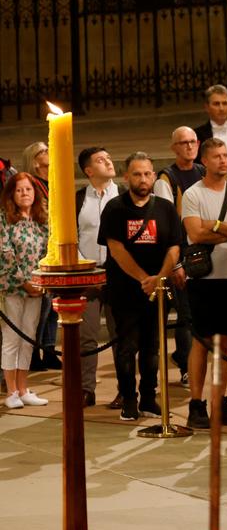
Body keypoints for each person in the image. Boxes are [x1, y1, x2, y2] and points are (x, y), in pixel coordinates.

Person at [98, 153, 182, 422]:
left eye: (147, 173)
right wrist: (144, 278)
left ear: (154, 176)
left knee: (152, 348)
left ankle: (148, 397)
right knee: (126, 347)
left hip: (157, 289)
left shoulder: (166, 208)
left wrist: (159, 278)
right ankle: (129, 400)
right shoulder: (114, 208)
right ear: (126, 177)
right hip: (125, 290)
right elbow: (116, 249)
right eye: (137, 174)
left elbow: (174, 246)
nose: (143, 179)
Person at [181, 137, 227, 429]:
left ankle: (219, 400)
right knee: (202, 341)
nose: (223, 160)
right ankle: (196, 404)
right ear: (205, 161)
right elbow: (195, 235)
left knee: (226, 343)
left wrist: (216, 225)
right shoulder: (192, 195)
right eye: (217, 156)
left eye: (225, 155)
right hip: (203, 278)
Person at [154, 125, 206, 389]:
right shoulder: (166, 179)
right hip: (180, 253)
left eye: (193, 142)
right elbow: (167, 224)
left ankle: (189, 359)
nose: (189, 146)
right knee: (185, 314)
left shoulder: (203, 172)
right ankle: (186, 365)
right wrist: (176, 263)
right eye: (183, 143)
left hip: (203, 252)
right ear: (174, 147)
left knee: (196, 312)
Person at [75, 147, 120, 407]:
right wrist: (85, 266)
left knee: (120, 334)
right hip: (89, 274)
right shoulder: (79, 199)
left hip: (118, 274)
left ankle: (125, 390)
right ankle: (85, 389)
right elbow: (73, 236)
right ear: (89, 170)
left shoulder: (123, 195)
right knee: (87, 335)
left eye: (109, 157)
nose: (108, 161)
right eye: (101, 160)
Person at [0, 173, 49, 409]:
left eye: (28, 189)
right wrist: (24, 281)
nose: (24, 194)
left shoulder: (42, 220)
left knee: (29, 339)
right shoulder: (5, 220)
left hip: (37, 288)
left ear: (35, 192)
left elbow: (47, 253)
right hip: (13, 287)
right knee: (12, 339)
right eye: (19, 190)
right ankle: (10, 392)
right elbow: (5, 254)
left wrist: (40, 281)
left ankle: (23, 388)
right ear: (11, 194)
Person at [21, 141, 60, 371]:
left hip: (52, 247)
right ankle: (34, 351)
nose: (49, 153)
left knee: (52, 305)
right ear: (34, 161)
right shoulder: (30, 185)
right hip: (36, 250)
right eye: (43, 151)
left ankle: (49, 349)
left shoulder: (52, 181)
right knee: (42, 307)